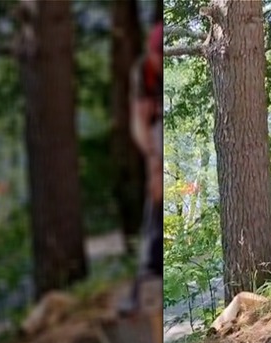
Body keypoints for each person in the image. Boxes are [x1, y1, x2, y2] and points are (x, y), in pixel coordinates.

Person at [119, 20, 163, 314]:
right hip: (154, 137)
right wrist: (152, 160)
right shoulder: (143, 73)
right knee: (155, 197)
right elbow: (138, 123)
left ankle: (154, 262)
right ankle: (147, 269)